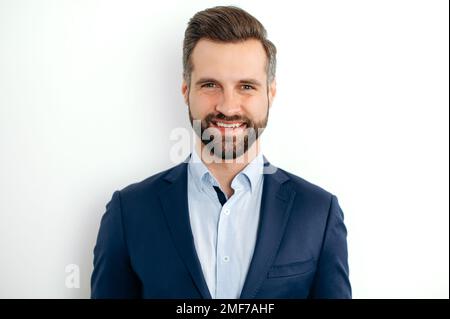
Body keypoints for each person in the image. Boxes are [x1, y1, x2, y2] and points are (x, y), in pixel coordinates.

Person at [91, 5, 351, 299]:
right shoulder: (128, 212)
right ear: (186, 90)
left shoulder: (319, 212)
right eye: (210, 84)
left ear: (271, 93)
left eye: (246, 86)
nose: (228, 107)